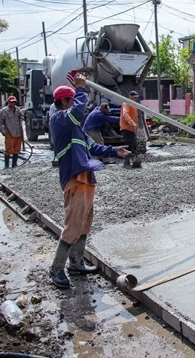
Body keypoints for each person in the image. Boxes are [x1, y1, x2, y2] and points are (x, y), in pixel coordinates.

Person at [48, 74, 130, 288]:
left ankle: (76, 262)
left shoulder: (75, 127)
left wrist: (115, 150)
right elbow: (76, 113)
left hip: (86, 178)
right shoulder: (59, 120)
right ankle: (56, 269)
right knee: (73, 224)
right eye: (72, 100)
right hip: (74, 178)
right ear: (65, 102)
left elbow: (92, 147)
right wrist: (82, 89)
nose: (77, 105)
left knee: (85, 223)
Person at [0, 96, 24, 168]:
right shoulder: (4, 111)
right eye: (12, 102)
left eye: (14, 102)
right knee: (8, 150)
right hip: (10, 133)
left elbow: (21, 119)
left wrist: (22, 115)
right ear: (8, 102)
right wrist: (4, 132)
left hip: (18, 133)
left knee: (17, 150)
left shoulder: (18, 110)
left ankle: (14, 164)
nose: (13, 103)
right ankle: (6, 166)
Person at [120, 91, 139, 168]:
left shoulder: (133, 104)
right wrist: (132, 123)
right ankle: (126, 163)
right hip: (127, 128)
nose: (135, 98)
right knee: (128, 145)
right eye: (134, 97)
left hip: (132, 128)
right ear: (130, 96)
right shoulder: (126, 103)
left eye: (136, 97)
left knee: (133, 145)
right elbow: (125, 114)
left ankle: (133, 161)